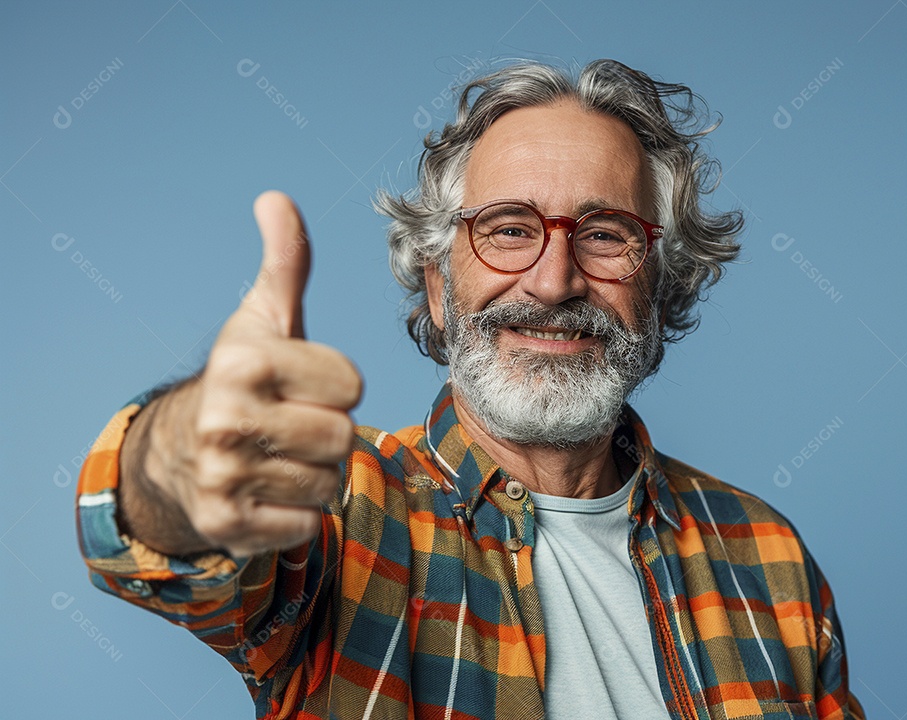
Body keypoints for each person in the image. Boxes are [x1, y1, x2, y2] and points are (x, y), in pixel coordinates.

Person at [76, 59, 864, 720]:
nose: (554, 284)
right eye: (510, 228)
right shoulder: (337, 505)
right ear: (440, 285)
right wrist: (186, 452)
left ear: (661, 284)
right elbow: (147, 545)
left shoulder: (769, 554)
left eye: (604, 234)